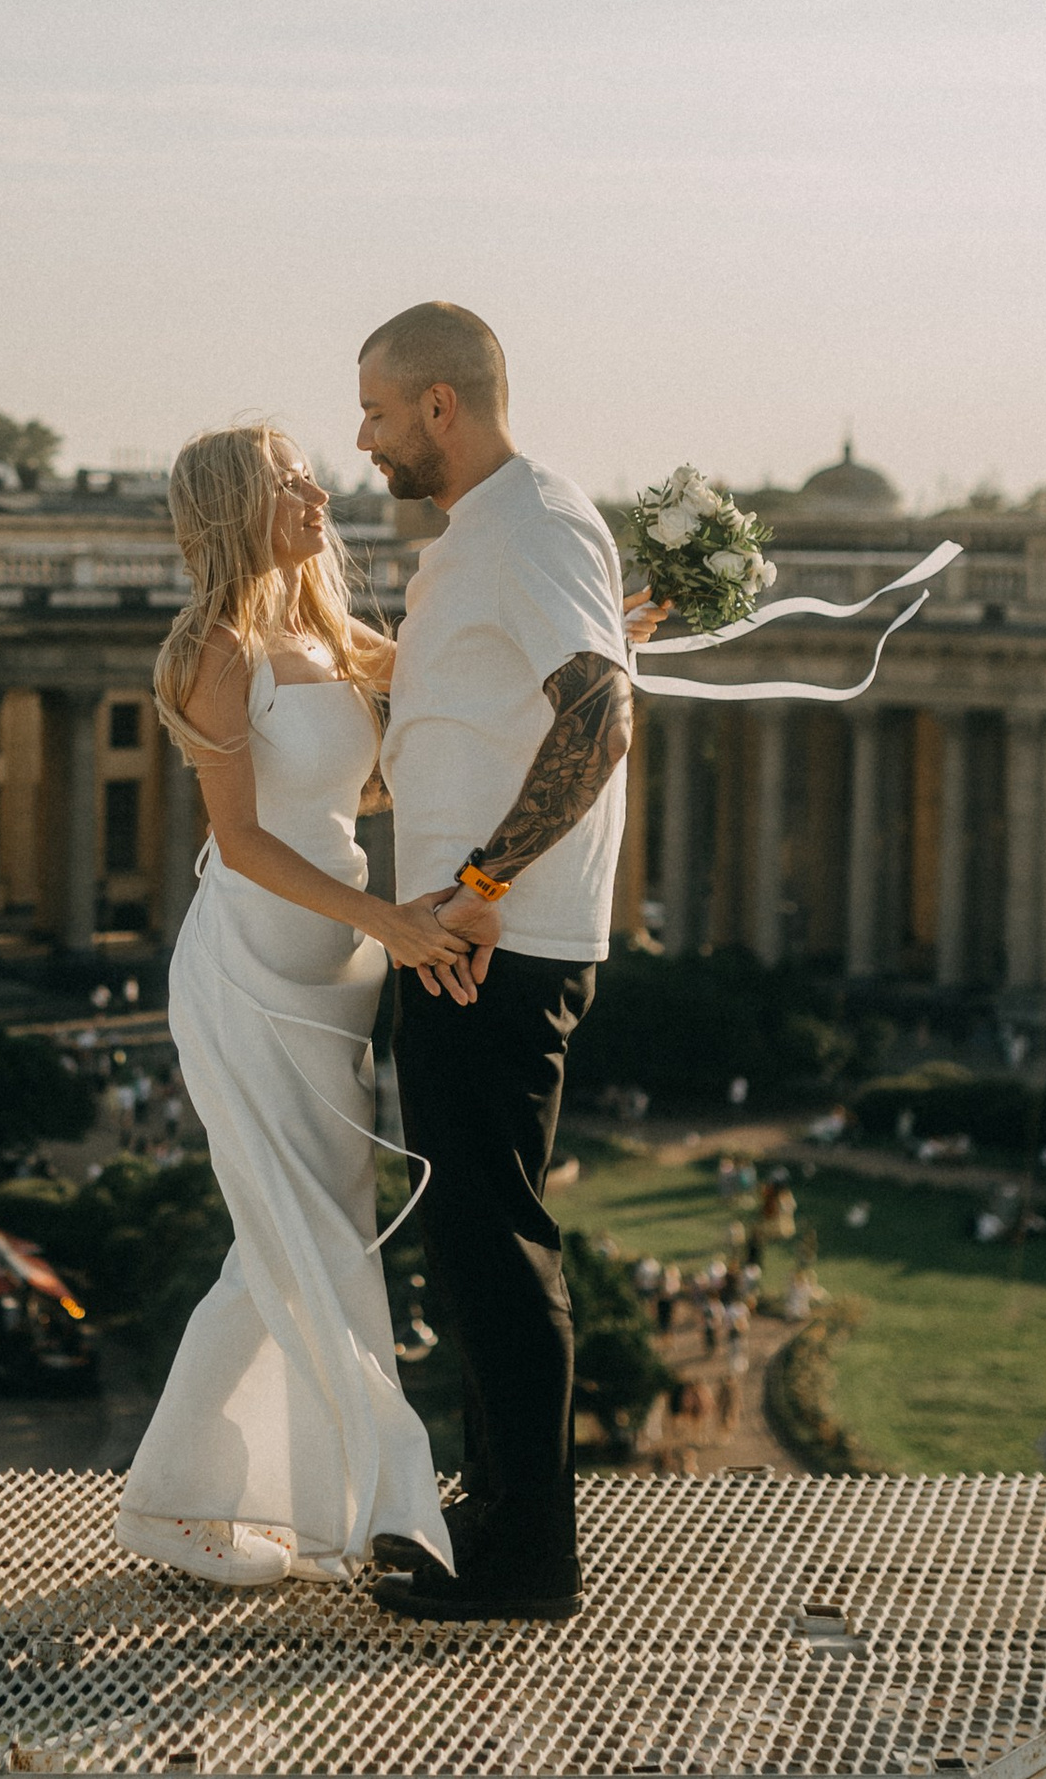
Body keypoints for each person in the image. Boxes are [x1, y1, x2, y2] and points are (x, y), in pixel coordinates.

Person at [113, 424, 475, 1592]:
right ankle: (380, 1501)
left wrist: (597, 632)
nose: (319, 489)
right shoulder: (219, 648)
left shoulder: (321, 628)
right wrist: (394, 922)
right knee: (305, 1236)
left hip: (338, 965)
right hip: (258, 963)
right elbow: (244, 842)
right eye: (288, 481)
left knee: (287, 1238)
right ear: (236, 507)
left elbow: (449, 666)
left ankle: (185, 1498)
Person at [352, 301, 653, 1625]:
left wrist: (481, 886)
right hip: (475, 930)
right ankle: (490, 1509)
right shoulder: (505, 530)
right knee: (470, 1238)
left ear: (439, 406)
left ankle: (528, 1559)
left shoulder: (524, 522)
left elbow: (600, 713)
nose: (360, 439)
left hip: (495, 942)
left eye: (375, 410)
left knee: (494, 1239)